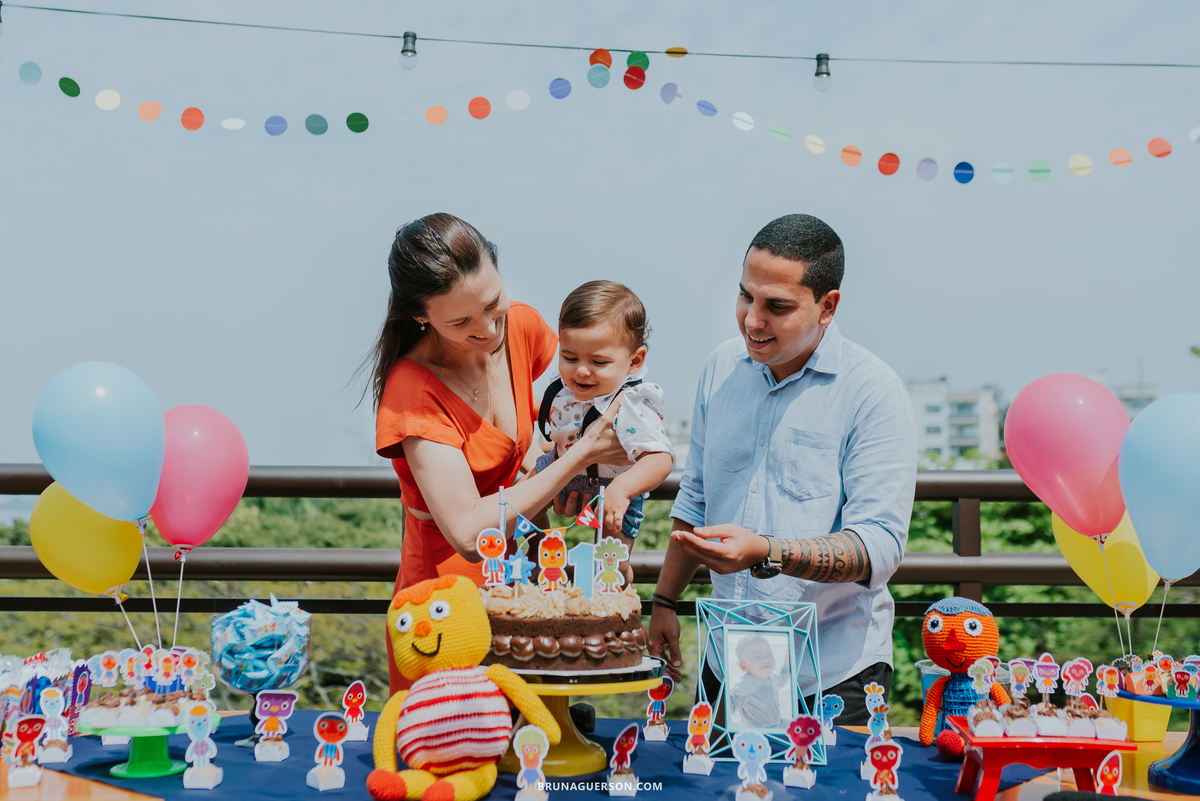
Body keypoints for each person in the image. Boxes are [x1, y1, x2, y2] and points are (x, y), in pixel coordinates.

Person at [648, 214, 917, 726]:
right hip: (727, 664)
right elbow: (697, 498)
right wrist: (664, 601)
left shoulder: (873, 392)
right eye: (746, 296)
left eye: (777, 307)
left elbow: (880, 545)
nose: (752, 320)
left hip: (834, 677)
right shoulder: (720, 368)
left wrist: (766, 552)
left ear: (828, 306)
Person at [369, 213, 629, 695]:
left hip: (527, 585)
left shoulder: (522, 326)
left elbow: (546, 426)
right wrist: (578, 457)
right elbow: (468, 531)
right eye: (461, 322)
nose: (488, 329)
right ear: (420, 316)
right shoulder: (412, 390)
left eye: (493, 303)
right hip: (445, 609)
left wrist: (560, 472)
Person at [534, 281, 676, 583]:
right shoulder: (561, 387)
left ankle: (619, 607)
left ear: (634, 361)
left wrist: (622, 489)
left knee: (611, 562)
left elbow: (661, 459)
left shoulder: (633, 401)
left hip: (614, 484)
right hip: (561, 466)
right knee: (518, 508)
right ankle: (537, 568)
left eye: (598, 362)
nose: (581, 371)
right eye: (570, 358)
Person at [729, 634, 790, 729]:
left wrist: (786, 664)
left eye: (768, 654)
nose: (765, 659)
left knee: (794, 724)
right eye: (757, 656)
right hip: (759, 729)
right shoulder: (746, 683)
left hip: (777, 722)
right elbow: (732, 701)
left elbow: (782, 679)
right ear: (744, 667)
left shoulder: (772, 677)